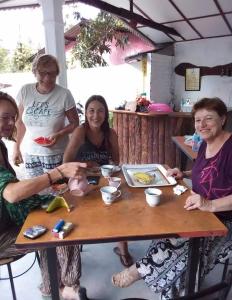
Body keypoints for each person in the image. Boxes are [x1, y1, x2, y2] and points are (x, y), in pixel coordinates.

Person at [112, 97, 232, 299]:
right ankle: (175, 289)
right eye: (197, 120)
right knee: (171, 233)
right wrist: (183, 174)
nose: (201, 125)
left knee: (185, 245)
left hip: (225, 222)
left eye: (208, 119)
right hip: (202, 211)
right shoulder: (205, 143)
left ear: (222, 119)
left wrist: (211, 204)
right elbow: (204, 172)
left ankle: (142, 271)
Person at [0, 91, 86, 300]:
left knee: (61, 217)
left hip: (9, 218)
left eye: (13, 117)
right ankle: (64, 288)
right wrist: (58, 172)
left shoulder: (0, 146)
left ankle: (55, 288)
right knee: (58, 231)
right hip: (3, 232)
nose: (11, 122)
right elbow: (11, 194)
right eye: (4, 117)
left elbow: (9, 189)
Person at [63, 94, 133, 267]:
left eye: (100, 111)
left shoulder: (111, 134)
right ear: (86, 113)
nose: (96, 115)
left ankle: (123, 250)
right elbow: (66, 162)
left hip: (104, 178)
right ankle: (73, 250)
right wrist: (86, 166)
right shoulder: (80, 132)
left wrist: (104, 169)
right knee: (80, 209)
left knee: (119, 207)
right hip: (82, 178)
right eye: (91, 111)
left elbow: (116, 161)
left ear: (105, 113)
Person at [12, 54, 79, 180]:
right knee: (36, 192)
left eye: (52, 73)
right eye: (42, 73)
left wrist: (59, 134)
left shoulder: (64, 94)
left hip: (56, 154)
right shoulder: (25, 91)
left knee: (58, 191)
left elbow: (75, 122)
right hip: (31, 153)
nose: (47, 78)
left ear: (57, 74)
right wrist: (16, 148)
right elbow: (19, 122)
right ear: (35, 73)